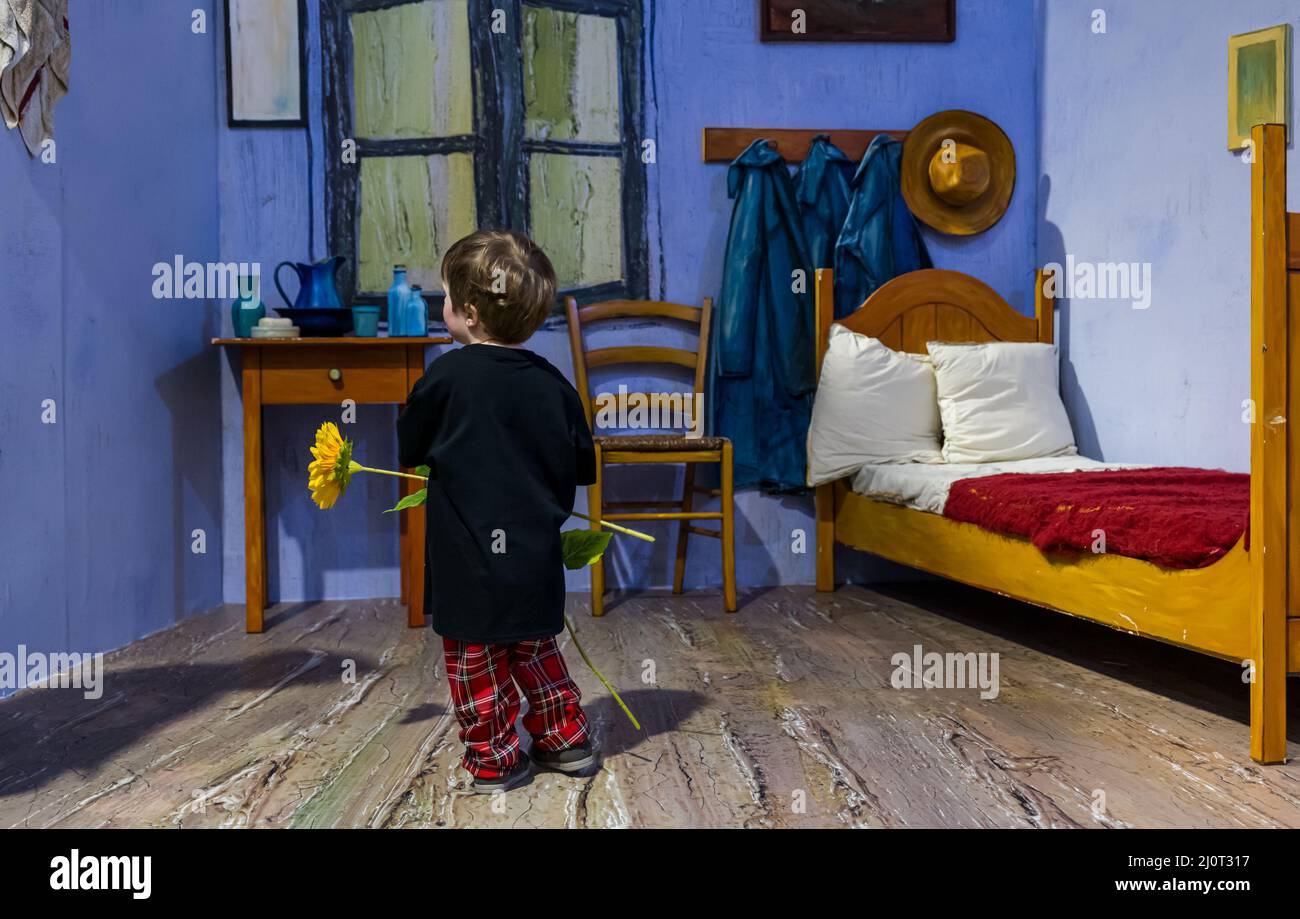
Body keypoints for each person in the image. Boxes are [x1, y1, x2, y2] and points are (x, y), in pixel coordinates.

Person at [397, 229, 598, 794]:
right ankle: (566, 739)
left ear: (469, 314)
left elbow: (409, 448)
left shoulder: (444, 379)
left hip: (467, 560)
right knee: (536, 650)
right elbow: (583, 463)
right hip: (533, 558)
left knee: (475, 662)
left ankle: (495, 759)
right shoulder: (555, 385)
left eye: (446, 296)